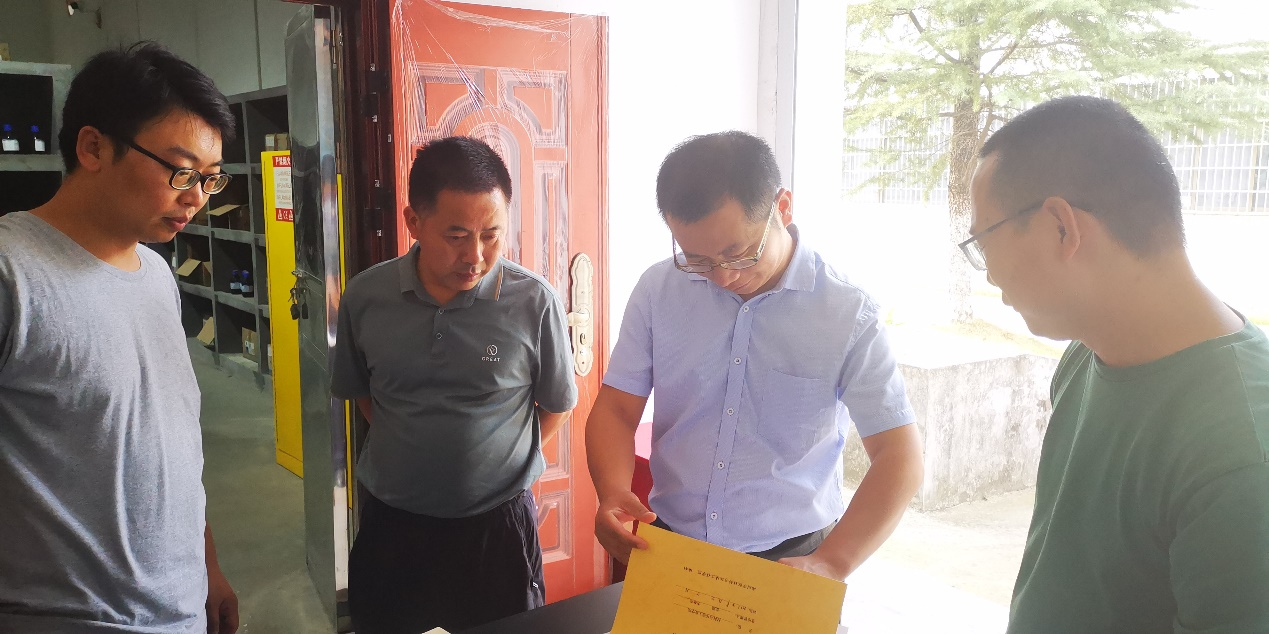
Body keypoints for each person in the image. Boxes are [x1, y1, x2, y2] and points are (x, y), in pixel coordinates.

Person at [964, 95, 1269, 632]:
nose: (988, 273)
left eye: (984, 241)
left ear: (1062, 227)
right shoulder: (1085, 354)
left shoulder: (1242, 454)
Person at [586, 131, 924, 580]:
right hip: (669, 542)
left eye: (739, 254)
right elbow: (616, 408)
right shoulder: (659, 290)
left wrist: (834, 560)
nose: (721, 276)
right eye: (696, 258)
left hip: (793, 558)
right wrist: (611, 492)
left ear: (782, 208)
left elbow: (899, 455)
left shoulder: (846, 313)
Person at [0, 42, 239, 633]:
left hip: (180, 608)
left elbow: (171, 439)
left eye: (209, 179)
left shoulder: (155, 273)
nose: (196, 197)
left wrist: (205, 565)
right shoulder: (13, 274)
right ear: (93, 148)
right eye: (181, 171)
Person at [330, 136, 578, 633]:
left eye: (491, 235)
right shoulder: (366, 296)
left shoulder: (533, 302)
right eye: (457, 235)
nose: (476, 256)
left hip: (496, 530)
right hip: (393, 525)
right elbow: (365, 397)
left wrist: (492, 463)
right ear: (413, 222)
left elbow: (556, 405)